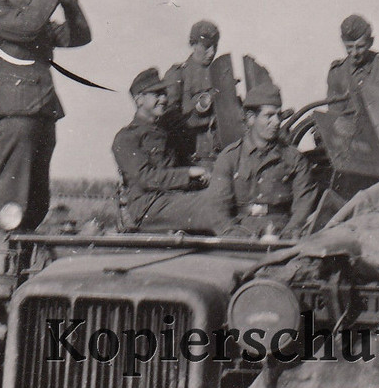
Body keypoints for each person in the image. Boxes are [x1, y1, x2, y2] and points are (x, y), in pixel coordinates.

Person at [0, 0, 91, 232]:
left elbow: (79, 37)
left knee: (36, 205)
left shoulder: (36, 14)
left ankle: (18, 270)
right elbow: (28, 26)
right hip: (17, 117)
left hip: (42, 114)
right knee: (9, 204)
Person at [208, 83, 319, 240]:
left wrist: (288, 234)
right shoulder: (229, 158)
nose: (276, 122)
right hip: (241, 234)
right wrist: (236, 236)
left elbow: (304, 205)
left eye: (278, 115)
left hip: (282, 233)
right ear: (251, 118)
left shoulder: (294, 159)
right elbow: (218, 210)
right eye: (269, 116)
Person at [112, 68, 214, 233]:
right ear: (139, 100)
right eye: (157, 94)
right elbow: (146, 178)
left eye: (164, 94)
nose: (164, 99)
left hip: (173, 201)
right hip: (148, 206)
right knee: (215, 205)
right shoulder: (126, 138)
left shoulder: (165, 133)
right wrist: (189, 173)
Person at [164, 20, 227, 166]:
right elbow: (169, 120)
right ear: (193, 44)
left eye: (215, 46)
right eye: (206, 46)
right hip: (192, 154)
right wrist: (200, 108)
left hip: (222, 151)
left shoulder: (221, 75)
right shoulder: (178, 74)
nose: (211, 52)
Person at [325, 14, 379, 107]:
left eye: (360, 46)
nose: (354, 53)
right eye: (349, 47)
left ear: (370, 42)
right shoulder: (337, 72)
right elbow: (334, 115)